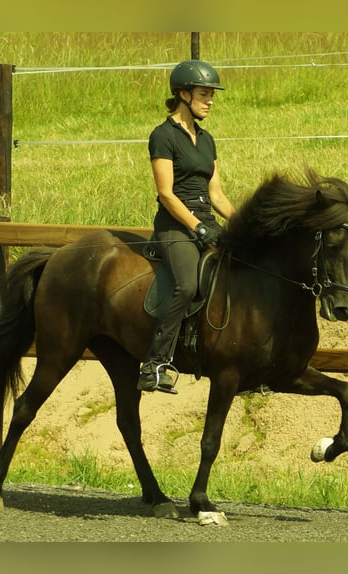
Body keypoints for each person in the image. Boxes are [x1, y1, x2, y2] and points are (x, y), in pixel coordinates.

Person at [139, 59, 236, 394]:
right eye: (204, 94)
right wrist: (197, 227)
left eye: (211, 95)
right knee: (186, 284)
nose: (210, 101)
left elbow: (217, 194)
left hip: (205, 222)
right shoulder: (163, 136)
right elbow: (166, 193)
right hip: (175, 226)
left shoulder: (207, 140)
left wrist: (241, 225)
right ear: (183, 94)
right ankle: (155, 364)